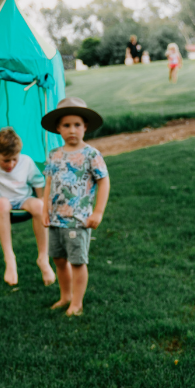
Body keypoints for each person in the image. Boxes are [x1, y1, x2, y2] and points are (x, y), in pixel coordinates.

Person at [41, 97, 110, 317]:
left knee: (77, 262)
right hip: (55, 219)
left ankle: (77, 303)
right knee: (59, 260)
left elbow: (104, 181)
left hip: (78, 220)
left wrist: (98, 212)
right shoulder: (54, 154)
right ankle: (65, 296)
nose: (72, 130)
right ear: (58, 128)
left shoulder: (91, 155)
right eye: (67, 125)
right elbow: (49, 183)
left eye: (77, 124)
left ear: (85, 127)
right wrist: (44, 209)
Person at [0, 126, 55, 287]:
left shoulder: (25, 161)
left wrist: (42, 202)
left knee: (39, 205)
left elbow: (38, 182)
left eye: (14, 159)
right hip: (0, 201)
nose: (11, 164)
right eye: (6, 160)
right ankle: (10, 258)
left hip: (23, 199)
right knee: (3, 204)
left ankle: (43, 258)